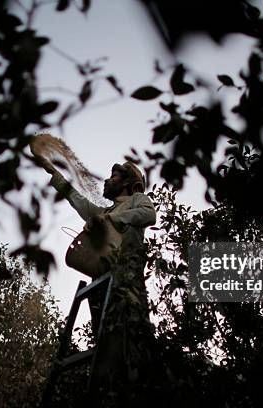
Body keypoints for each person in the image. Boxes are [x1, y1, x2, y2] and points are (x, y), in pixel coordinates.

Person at [31, 141, 157, 403]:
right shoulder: (101, 211)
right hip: (100, 280)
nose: (108, 181)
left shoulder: (136, 199)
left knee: (127, 342)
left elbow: (149, 215)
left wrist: (111, 220)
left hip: (125, 279)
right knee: (104, 347)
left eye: (113, 176)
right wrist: (50, 169)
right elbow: (74, 196)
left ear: (127, 182)